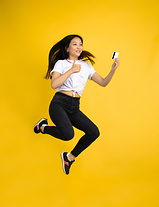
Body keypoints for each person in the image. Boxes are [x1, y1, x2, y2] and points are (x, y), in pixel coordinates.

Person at [34, 34, 120, 175]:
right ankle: (42, 127)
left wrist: (113, 70)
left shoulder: (86, 66)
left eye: (80, 44)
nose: (79, 47)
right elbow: (54, 84)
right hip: (59, 103)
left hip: (74, 106)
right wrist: (71, 70)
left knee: (93, 132)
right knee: (68, 135)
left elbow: (103, 83)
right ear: (67, 48)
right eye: (75, 44)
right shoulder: (61, 64)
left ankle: (69, 158)